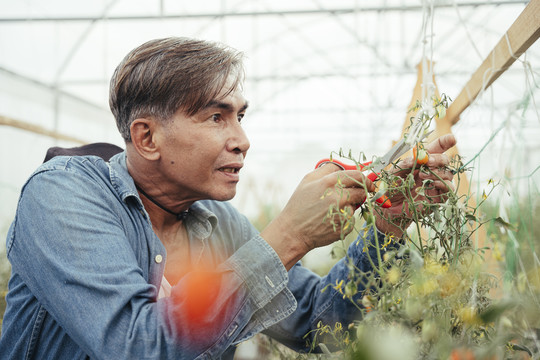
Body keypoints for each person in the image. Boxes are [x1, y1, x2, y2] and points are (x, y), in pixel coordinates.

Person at [0, 37, 455, 359]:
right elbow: (136, 346)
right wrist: (289, 236)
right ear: (147, 138)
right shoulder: (62, 195)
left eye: (240, 116)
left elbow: (319, 325)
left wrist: (387, 226)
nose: (242, 139)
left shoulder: (217, 222)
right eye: (216, 117)